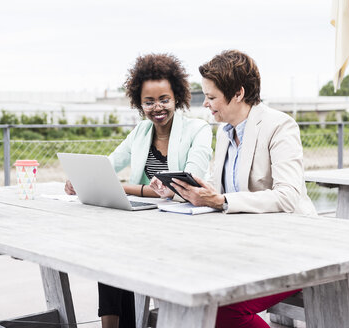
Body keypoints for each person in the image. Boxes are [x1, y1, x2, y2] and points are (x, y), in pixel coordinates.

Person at [150, 50, 317, 328]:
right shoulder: (226, 131)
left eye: (212, 97)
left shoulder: (279, 126)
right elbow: (218, 188)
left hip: (292, 250)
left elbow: (288, 196)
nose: (205, 104)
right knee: (177, 284)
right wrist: (179, 190)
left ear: (238, 93)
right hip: (246, 249)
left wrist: (220, 200)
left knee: (221, 309)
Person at [65, 53, 212, 328]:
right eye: (149, 101)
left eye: (164, 99)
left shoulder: (198, 129)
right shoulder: (141, 132)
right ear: (139, 102)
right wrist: (79, 179)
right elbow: (107, 166)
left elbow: (188, 183)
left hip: (186, 227)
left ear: (177, 97)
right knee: (108, 253)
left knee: (121, 252)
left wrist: (130, 188)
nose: (157, 107)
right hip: (145, 224)